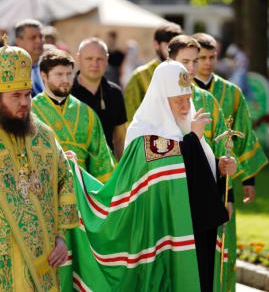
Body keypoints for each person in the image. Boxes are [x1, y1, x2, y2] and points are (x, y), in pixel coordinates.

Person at [60, 61, 236, 292]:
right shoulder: (143, 135)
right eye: (178, 101)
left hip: (193, 231)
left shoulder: (189, 129)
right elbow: (163, 166)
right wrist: (193, 139)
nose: (185, 107)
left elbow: (194, 176)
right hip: (158, 234)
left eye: (187, 99)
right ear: (162, 101)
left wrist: (218, 168)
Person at [0, 35, 78, 290]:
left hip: (43, 257)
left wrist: (61, 237)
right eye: (15, 96)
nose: (24, 102)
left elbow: (65, 181)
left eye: (27, 95)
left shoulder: (43, 134)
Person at [193, 32, 269, 291]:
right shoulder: (183, 92)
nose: (207, 62)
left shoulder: (232, 92)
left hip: (223, 180)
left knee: (223, 242)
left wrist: (249, 179)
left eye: (212, 56)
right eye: (201, 57)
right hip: (190, 177)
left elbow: (244, 136)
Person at [32, 48, 115, 183]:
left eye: (69, 74)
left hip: (80, 191)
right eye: (59, 74)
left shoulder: (86, 113)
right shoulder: (30, 111)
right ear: (43, 75)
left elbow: (101, 160)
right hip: (44, 188)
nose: (65, 80)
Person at [167, 34, 228, 158]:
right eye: (185, 61)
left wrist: (223, 164)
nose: (191, 67)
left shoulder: (208, 99)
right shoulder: (158, 98)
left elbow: (221, 143)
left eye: (195, 61)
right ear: (171, 62)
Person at [71, 37, 127, 160]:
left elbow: (120, 138)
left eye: (99, 59)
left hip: (108, 169)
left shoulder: (115, 93)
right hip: (75, 169)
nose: (94, 64)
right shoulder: (66, 91)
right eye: (89, 59)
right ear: (78, 58)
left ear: (107, 60)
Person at [124, 22, 183, 122]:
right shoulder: (140, 75)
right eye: (168, 45)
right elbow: (130, 116)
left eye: (177, 46)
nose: (173, 50)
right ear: (156, 44)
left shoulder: (186, 74)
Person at [14, 19, 44, 96]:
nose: (39, 41)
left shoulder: (50, 65)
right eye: (33, 37)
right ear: (18, 41)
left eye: (41, 37)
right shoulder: (11, 70)